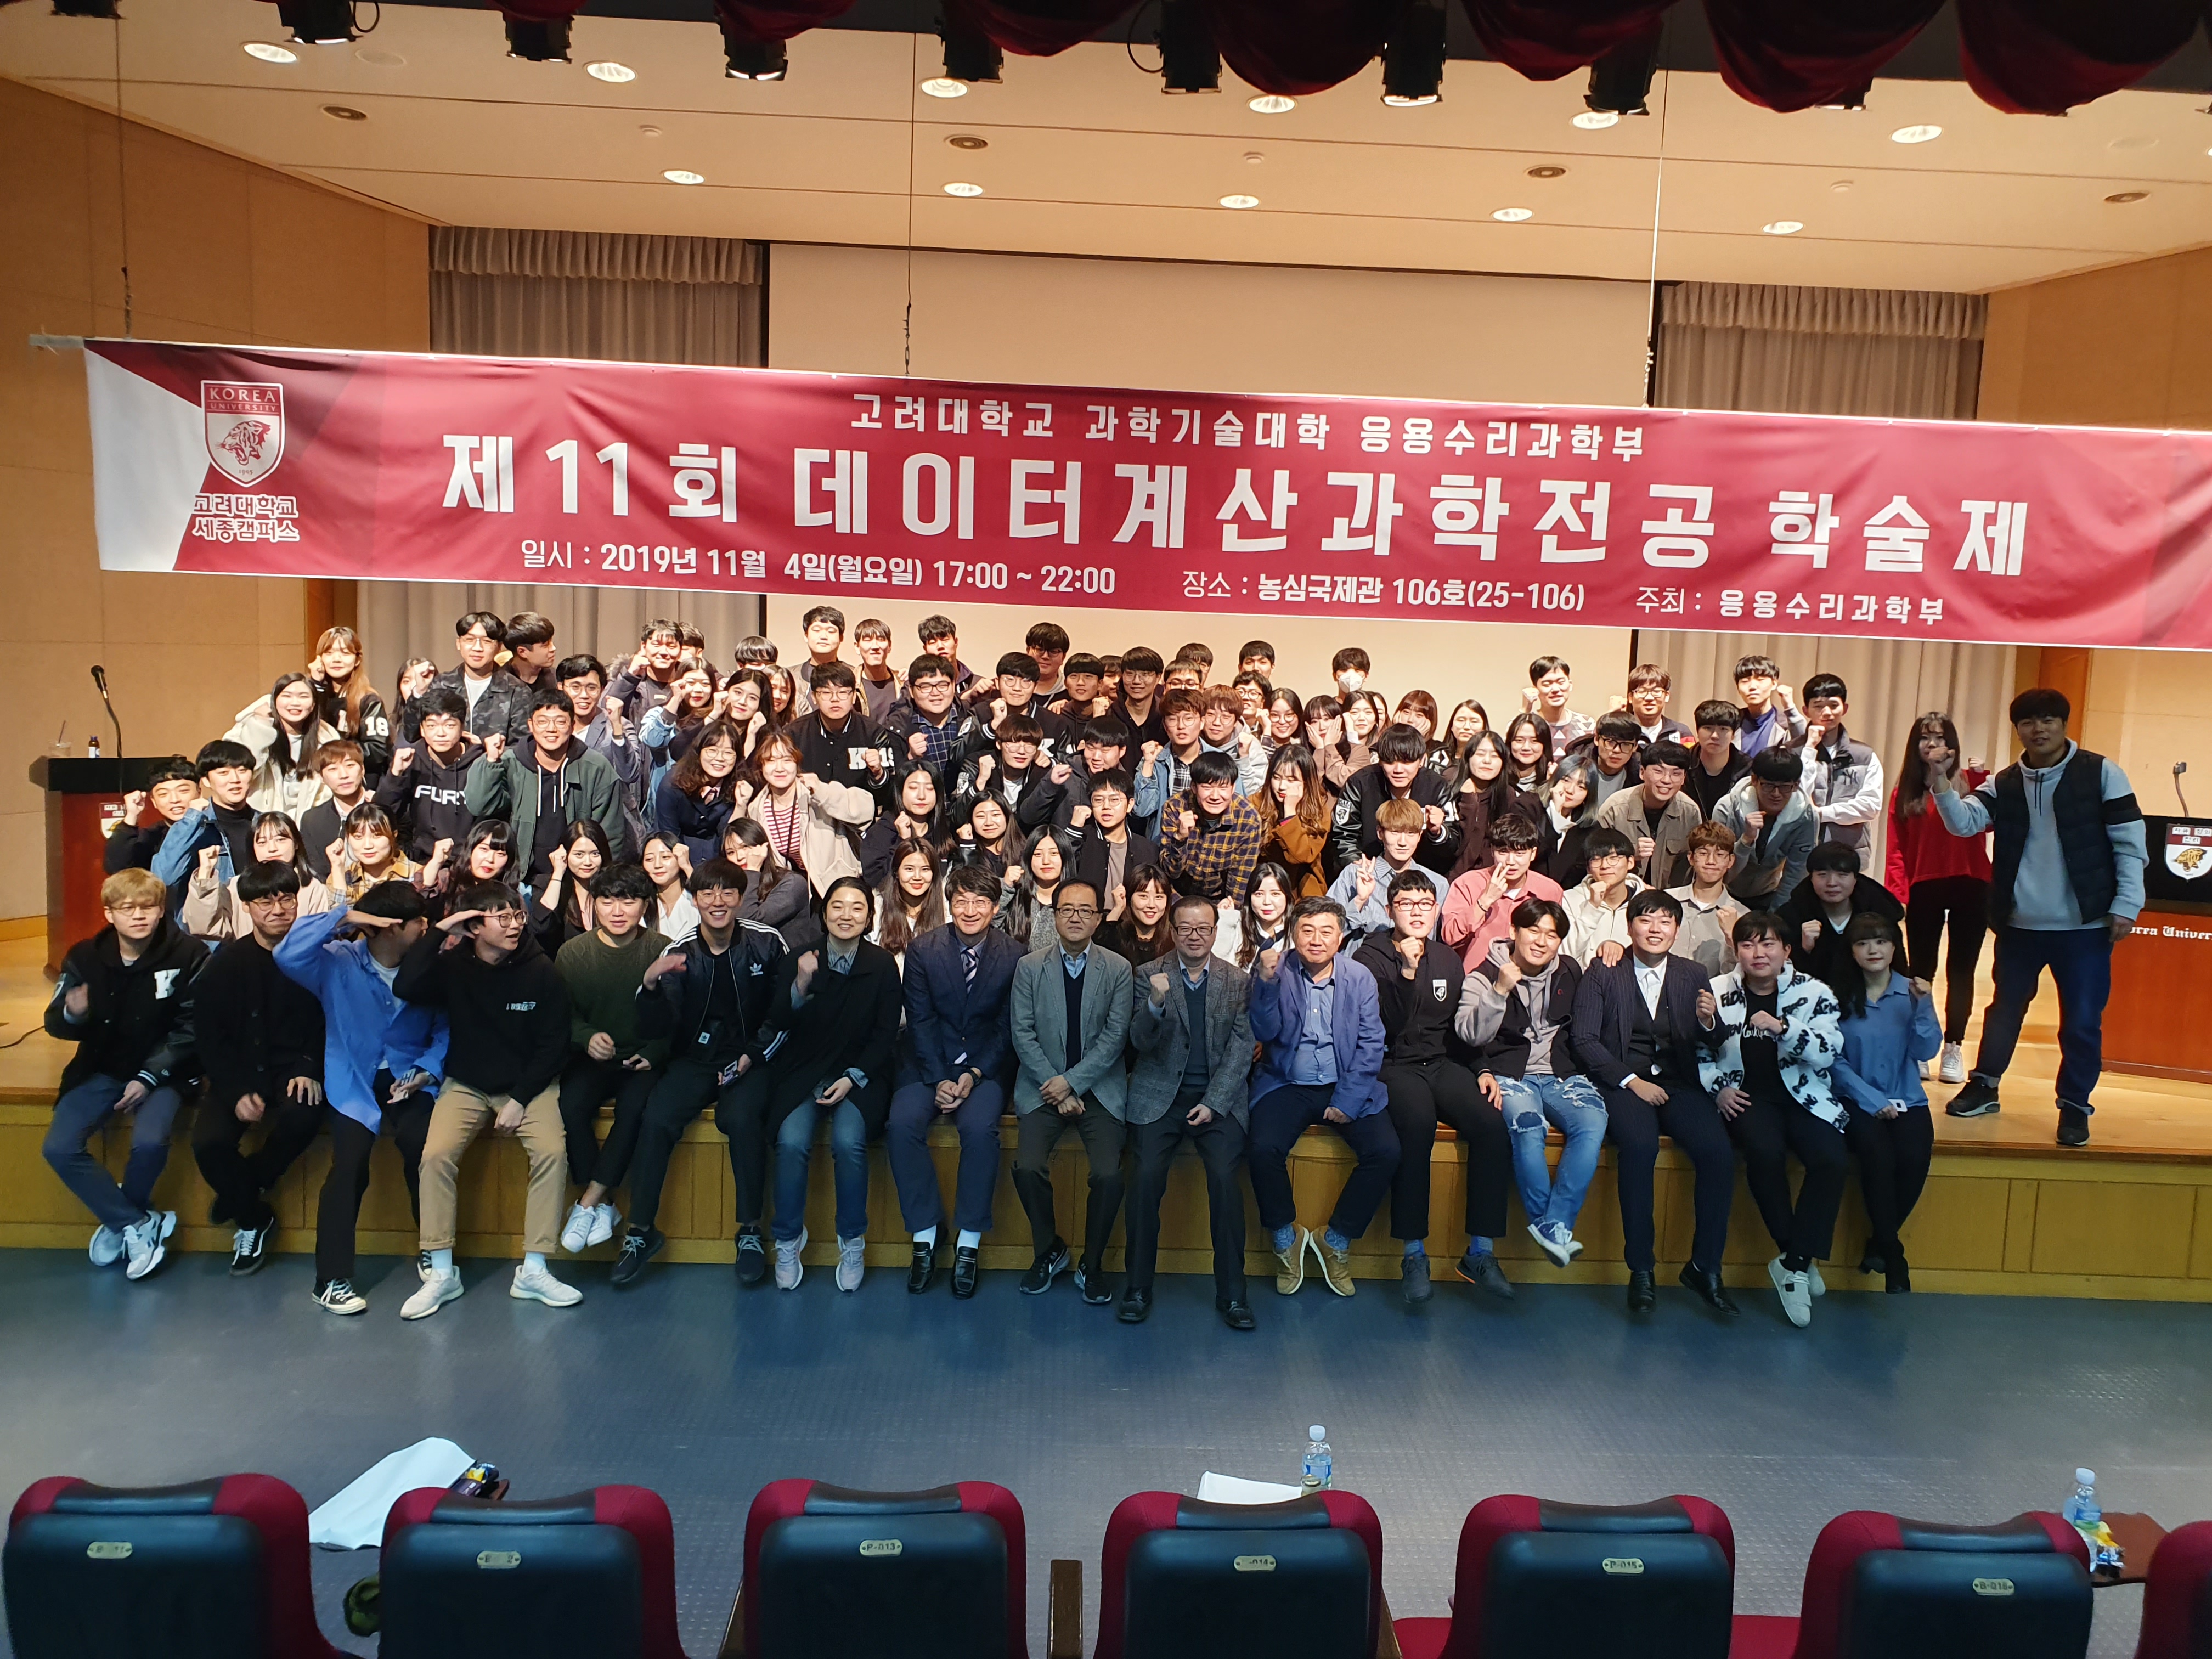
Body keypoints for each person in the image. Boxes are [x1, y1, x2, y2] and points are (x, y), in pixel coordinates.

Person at [1930, 687, 2146, 1147]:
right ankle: (1985, 1085)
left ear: (2064, 724)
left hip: (2085, 927)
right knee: (2003, 1011)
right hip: (2020, 925)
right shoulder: (2005, 782)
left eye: (2048, 720)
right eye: (2028, 722)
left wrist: (2127, 904)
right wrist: (1942, 783)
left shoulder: (2101, 773)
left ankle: (2075, 1106)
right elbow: (1964, 824)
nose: (2039, 729)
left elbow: (2130, 845)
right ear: (2018, 730)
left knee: (2082, 1021)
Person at [395, 881, 580, 1319]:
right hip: (467, 1083)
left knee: (552, 1152)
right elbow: (406, 985)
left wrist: (520, 1098)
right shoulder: (453, 966)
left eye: (518, 915)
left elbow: (554, 1044)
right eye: (503, 917)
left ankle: (534, 1269)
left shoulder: (542, 971)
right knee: (435, 1156)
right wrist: (442, 930)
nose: (515, 925)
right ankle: (442, 1272)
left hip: (529, 1085)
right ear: (475, 926)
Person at [275, 883, 447, 1314]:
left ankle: (434, 1248)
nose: (426, 928)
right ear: (390, 928)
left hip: (409, 1075)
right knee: (349, 1164)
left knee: (423, 1149)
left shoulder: (432, 966)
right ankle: (330, 1278)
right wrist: (346, 916)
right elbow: (286, 954)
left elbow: (447, 1028)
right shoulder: (337, 960)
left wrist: (427, 1070)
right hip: (352, 1077)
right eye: (418, 922)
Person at [616, 861, 787, 1285]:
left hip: (750, 1059)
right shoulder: (680, 951)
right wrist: (649, 988)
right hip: (694, 1061)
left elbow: (784, 1015)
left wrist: (754, 1055)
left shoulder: (767, 942)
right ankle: (640, 1232)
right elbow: (657, 1028)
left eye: (727, 892)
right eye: (707, 893)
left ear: (741, 898)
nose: (717, 901)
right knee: (656, 1119)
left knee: (742, 1119)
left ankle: (750, 1231)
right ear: (695, 900)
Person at [1569, 889, 1736, 1316]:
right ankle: (1641, 1269)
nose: (1656, 929)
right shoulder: (1604, 971)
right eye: (1646, 920)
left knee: (1719, 1153)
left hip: (1679, 1084)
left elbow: (1714, 1040)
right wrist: (1630, 1081)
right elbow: (1583, 1039)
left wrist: (1708, 1021)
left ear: (1677, 930)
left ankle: (1705, 1267)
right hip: (1624, 1083)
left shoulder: (1693, 973)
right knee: (1640, 1148)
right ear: (1630, 927)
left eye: (1665, 921)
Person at [1355, 873, 1515, 1305]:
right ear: (1390, 910)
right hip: (1392, 1063)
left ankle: (1480, 1252)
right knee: (1418, 1124)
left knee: (1491, 1125)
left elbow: (1458, 1028)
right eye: (1406, 904)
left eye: (1425, 904)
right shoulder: (1370, 957)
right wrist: (1406, 974)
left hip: (1441, 1062)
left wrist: (1481, 1067)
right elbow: (1385, 1026)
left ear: (1436, 911)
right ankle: (1413, 1254)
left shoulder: (1446, 958)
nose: (1417, 912)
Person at [42, 868, 205, 1282]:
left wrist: (149, 1076)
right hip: (101, 1067)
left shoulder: (190, 954)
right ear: (109, 914)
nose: (139, 915)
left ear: (161, 910)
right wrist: (72, 1014)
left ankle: (126, 1220)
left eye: (148, 907)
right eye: (127, 908)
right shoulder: (84, 957)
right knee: (59, 1148)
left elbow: (193, 1028)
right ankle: (135, 1222)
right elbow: (55, 1023)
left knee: (149, 1141)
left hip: (166, 1071)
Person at [743, 876, 902, 1293]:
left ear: (869, 916)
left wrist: (852, 1078)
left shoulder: (882, 964)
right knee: (792, 1141)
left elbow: (885, 1035)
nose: (846, 915)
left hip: (860, 1074)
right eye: (837, 906)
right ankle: (788, 1239)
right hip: (803, 1071)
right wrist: (800, 984)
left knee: (849, 1142)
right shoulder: (801, 957)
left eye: (857, 907)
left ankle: (852, 1241)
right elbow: (779, 1021)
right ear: (824, 912)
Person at [1699, 911, 1851, 1329]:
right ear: (1736, 950)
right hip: (1746, 1097)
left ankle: (1793, 1262)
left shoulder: (1814, 992)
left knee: (1832, 1160)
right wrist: (1718, 1088)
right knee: (1764, 1154)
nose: (1758, 953)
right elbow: (1699, 1051)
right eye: (1748, 945)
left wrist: (1785, 1028)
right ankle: (1797, 1262)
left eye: (1768, 944)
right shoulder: (1717, 990)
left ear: (1786, 950)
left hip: (1804, 1095)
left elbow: (1828, 1052)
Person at [1246, 898, 1396, 1299]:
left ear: (1341, 936)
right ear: (1293, 934)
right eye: (1307, 930)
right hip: (1287, 1082)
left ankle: (1337, 1239)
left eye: (1326, 931)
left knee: (1386, 1152)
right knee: (1261, 1149)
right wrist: (1266, 983)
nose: (1316, 939)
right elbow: (1263, 1030)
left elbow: (1371, 1044)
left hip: (1344, 1081)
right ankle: (1285, 1239)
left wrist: (1348, 1100)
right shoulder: (1276, 969)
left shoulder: (1359, 977)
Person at [887, 864, 1024, 1299]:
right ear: (949, 904)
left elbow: (1008, 1027)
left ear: (995, 907)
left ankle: (969, 1242)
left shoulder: (1016, 955)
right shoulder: (924, 950)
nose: (970, 910)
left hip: (985, 1067)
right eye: (961, 901)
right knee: (901, 1124)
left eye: (980, 902)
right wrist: (941, 1077)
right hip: (928, 1063)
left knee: (980, 1130)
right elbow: (920, 1020)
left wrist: (974, 1072)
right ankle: (925, 1234)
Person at [1122, 894, 1256, 1328]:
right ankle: (1137, 1288)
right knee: (1144, 1180)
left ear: (1216, 932)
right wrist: (1154, 1005)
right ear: (1173, 931)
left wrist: (1214, 1102)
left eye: (1203, 929)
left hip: (1217, 1099)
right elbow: (1139, 1042)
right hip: (1158, 1097)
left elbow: (1241, 1049)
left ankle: (1233, 1295)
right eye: (1185, 928)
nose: (1194, 936)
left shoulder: (1237, 981)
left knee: (1226, 1181)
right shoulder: (1148, 975)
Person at [188, 861, 326, 1276]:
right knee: (208, 1143)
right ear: (247, 907)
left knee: (304, 1116)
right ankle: (252, 1216)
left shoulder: (319, 957)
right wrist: (235, 1090)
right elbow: (209, 1037)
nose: (278, 909)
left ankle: (242, 1188)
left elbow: (333, 1020)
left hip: (294, 1068)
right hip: (241, 1071)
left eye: (287, 899)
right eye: (266, 901)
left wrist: (309, 1065)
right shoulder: (226, 964)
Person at [1458, 896, 1604, 1268]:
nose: (1541, 941)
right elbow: (1469, 1036)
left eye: (1552, 936)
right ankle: (1550, 1226)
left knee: (1593, 1121)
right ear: (1514, 931)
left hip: (1561, 1073)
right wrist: (1498, 991)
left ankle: (1554, 1224)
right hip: (1509, 1073)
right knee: (1528, 1127)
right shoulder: (1482, 974)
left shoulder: (1570, 970)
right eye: (1533, 931)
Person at [1008, 880, 1135, 1304]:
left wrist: (1073, 1083)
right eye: (1067, 909)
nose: (1076, 917)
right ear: (1054, 916)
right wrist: (1058, 1087)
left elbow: (1115, 1038)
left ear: (1099, 919)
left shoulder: (1118, 969)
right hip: (1042, 1085)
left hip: (1099, 1089)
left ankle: (1092, 1264)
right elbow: (1022, 1034)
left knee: (1110, 1175)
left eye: (1086, 910)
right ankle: (1049, 1250)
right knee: (1026, 1167)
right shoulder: (1030, 967)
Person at [552, 863, 668, 1257]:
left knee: (634, 1109)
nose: (618, 911)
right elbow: (561, 1016)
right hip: (593, 1059)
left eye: (629, 901)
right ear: (594, 904)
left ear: (645, 905)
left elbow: (680, 1017)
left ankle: (589, 1202)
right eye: (607, 901)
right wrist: (585, 1037)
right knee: (570, 1106)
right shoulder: (573, 953)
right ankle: (602, 1205)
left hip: (643, 1060)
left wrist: (654, 1052)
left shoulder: (663, 949)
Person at [1830, 911, 1943, 1293]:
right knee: (1877, 1159)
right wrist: (1871, 1100)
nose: (1873, 950)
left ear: (1895, 948)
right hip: (1854, 1099)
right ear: (1852, 951)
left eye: (1881, 941)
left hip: (1908, 1097)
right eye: (1863, 943)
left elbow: (1926, 1051)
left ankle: (1880, 1243)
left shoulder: (1913, 992)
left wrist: (1924, 1006)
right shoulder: (1838, 996)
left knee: (1914, 1161)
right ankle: (1893, 1256)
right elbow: (1833, 1060)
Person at [1884, 711, 1990, 1086]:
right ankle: (1920, 1046)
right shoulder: (1905, 791)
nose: (1932, 744)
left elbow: (1993, 821)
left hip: (1971, 882)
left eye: (1940, 737)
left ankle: (1954, 1047)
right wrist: (1898, 892)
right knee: (1921, 971)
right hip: (1924, 885)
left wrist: (1981, 776)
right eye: (1924, 737)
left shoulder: (1973, 783)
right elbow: (1897, 848)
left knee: (1962, 970)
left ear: (1952, 744)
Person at [465, 687, 625, 905]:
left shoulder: (596, 767)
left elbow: (610, 834)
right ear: (531, 725)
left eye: (560, 722)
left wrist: (599, 884)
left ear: (572, 725)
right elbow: (479, 805)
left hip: (577, 881)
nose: (551, 729)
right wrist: (491, 762)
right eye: (542, 722)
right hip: (520, 879)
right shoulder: (510, 762)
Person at [743, 731, 878, 896]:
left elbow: (865, 810)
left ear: (797, 763)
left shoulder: (814, 794)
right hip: (792, 891)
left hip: (834, 886)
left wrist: (822, 791)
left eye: (787, 760)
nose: (779, 768)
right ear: (761, 766)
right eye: (771, 761)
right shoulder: (757, 809)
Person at [180, 810, 339, 939]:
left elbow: (322, 936)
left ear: (296, 843)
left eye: (280, 840)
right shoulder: (236, 887)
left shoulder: (312, 888)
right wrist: (205, 873)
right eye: (262, 842)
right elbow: (203, 927)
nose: (272, 849)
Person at [1327, 724, 1456, 879]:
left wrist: (1438, 832)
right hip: (1366, 876)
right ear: (1380, 760)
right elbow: (1342, 836)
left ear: (1422, 760)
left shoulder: (1437, 787)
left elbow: (1454, 844)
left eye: (1407, 762)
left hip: (1421, 880)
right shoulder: (1360, 784)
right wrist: (1360, 865)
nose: (1398, 770)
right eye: (1390, 762)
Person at [1440, 814, 1562, 970]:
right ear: (1492, 851)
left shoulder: (1550, 891)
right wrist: (1484, 901)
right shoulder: (1467, 884)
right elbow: (1450, 937)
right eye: (1503, 852)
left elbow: (1553, 942)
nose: (1511, 862)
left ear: (1533, 854)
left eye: (1519, 853)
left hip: (1527, 978)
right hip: (1476, 977)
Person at [1778, 840, 1906, 987]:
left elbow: (1898, 967)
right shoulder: (1791, 916)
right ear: (1811, 877)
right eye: (1822, 875)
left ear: (1855, 878)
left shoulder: (1881, 913)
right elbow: (1779, 977)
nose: (1832, 883)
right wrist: (1804, 949)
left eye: (1842, 875)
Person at [558, 653, 649, 858]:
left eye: (592, 688)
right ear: (561, 687)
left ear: (602, 689)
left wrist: (617, 728)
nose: (584, 695)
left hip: (614, 827)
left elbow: (630, 774)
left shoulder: (618, 725)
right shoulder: (554, 729)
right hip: (568, 824)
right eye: (575, 687)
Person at [376, 687, 479, 864]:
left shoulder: (479, 762)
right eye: (432, 726)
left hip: (468, 862)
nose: (441, 733)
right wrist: (395, 775)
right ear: (422, 729)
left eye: (449, 725)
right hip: (421, 859)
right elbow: (383, 814)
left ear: (462, 727)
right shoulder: (411, 759)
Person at [152, 740, 261, 909]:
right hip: (210, 921)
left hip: (258, 919)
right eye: (224, 773)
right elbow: (163, 879)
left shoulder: (266, 823)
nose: (235, 779)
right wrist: (191, 820)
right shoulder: (192, 825)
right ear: (206, 781)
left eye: (242, 771)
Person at [1327, 798, 1447, 947]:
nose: (1403, 842)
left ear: (1419, 836)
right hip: (1363, 959)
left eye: (1411, 833)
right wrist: (1359, 901)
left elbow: (1437, 942)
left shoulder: (1437, 883)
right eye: (1395, 832)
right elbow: (1327, 931)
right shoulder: (1355, 874)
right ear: (1380, 833)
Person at [1796, 673, 1884, 871]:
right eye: (1819, 706)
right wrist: (1809, 749)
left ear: (1845, 708)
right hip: (1800, 855)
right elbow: (1795, 800)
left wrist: (1821, 813)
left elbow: (1870, 807)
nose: (1827, 712)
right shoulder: (1792, 752)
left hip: (1850, 856)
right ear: (1806, 710)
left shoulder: (1864, 755)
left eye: (1834, 705)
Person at [1711, 747, 1819, 911]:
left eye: (1785, 787)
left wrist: (1776, 916)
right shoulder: (1727, 808)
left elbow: (1796, 874)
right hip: (1725, 892)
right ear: (1754, 780)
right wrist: (1746, 840)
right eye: (1769, 786)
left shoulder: (1806, 817)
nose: (1776, 794)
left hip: (1769, 893)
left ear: (1796, 786)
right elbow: (1718, 869)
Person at [1159, 751, 1265, 915]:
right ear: (1194, 787)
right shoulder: (1176, 807)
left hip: (1217, 902)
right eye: (1207, 788)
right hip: (1176, 896)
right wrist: (1180, 838)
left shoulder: (1248, 820)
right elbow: (1170, 871)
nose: (1215, 796)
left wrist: (1225, 911)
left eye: (1223, 788)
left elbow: (1239, 885)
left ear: (1233, 788)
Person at [1594, 739, 1703, 891]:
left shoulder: (1690, 812)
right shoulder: (1614, 810)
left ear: (1684, 778)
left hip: (1670, 897)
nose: (1666, 780)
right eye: (1658, 772)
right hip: (1622, 895)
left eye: (1676, 774)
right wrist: (1631, 853)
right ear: (1642, 772)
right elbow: (1596, 862)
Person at [226, 673, 338, 820]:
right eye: (287, 696)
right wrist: (260, 726)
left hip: (310, 824)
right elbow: (241, 770)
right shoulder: (250, 729)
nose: (295, 703)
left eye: (303, 697)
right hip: (262, 821)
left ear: (313, 705)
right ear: (274, 701)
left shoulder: (328, 738)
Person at [787, 661, 894, 806]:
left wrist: (878, 773)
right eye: (826, 693)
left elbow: (888, 794)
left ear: (854, 696)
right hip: (809, 813)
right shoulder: (794, 733)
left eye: (843, 692)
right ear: (814, 697)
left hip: (858, 814)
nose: (835, 699)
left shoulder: (874, 733)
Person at [429, 610, 532, 746]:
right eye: (470, 640)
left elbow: (523, 746)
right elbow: (416, 734)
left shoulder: (517, 691)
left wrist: (484, 750)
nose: (477, 648)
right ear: (459, 643)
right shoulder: (442, 684)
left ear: (499, 647)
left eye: (487, 641)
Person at [1444, 730, 1539, 874]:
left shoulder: (1507, 795)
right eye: (1480, 754)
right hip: (1449, 875)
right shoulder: (1448, 787)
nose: (1487, 761)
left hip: (1490, 875)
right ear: (1468, 758)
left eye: (1495, 756)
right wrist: (1469, 803)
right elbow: (1457, 848)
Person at [1067, 769, 1156, 918]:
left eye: (1114, 800)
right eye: (1098, 800)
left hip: (1129, 925)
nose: (1106, 806)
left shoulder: (1147, 849)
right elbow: (1064, 868)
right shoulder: (1083, 839)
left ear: (1130, 805)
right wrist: (1074, 830)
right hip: (1086, 923)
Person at [307, 624, 393, 778]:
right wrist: (316, 686)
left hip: (357, 780)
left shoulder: (368, 700)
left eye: (345, 653)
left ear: (357, 660)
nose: (336, 659)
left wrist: (337, 752)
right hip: (314, 779)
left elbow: (377, 751)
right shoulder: (312, 695)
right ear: (319, 658)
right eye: (329, 653)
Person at [885, 654, 991, 774]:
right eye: (925, 687)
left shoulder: (971, 717)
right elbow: (891, 779)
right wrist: (911, 757)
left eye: (942, 685)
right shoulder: (899, 727)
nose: (935, 693)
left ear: (953, 685)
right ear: (911, 691)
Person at [1667, 821, 1746, 975]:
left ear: (1730, 861)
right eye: (1703, 853)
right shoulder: (1666, 901)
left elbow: (1742, 973)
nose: (1711, 861)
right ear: (1691, 858)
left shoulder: (1742, 916)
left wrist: (1732, 936)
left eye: (1720, 855)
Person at [1254, 743, 1332, 898]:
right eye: (1277, 778)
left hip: (1302, 886)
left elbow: (1302, 856)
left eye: (1291, 780)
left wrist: (1290, 813)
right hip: (1264, 882)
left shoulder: (1319, 809)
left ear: (1306, 782)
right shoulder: (1256, 804)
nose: (1282, 786)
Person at [1561, 826, 1644, 968]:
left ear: (1630, 862)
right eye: (1596, 860)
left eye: (1613, 858)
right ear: (1588, 868)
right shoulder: (1570, 899)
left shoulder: (1646, 903)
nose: (1605, 866)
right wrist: (1592, 907)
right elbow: (1565, 956)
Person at [106, 757, 200, 874]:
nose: (175, 800)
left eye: (183, 791)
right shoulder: (151, 837)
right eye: (163, 794)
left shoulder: (215, 829)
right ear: (154, 801)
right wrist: (131, 816)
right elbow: (117, 868)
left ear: (199, 792)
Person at [529, 819, 611, 953]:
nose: (588, 862)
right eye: (579, 854)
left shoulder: (610, 886)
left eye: (595, 854)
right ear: (565, 854)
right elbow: (541, 927)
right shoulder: (547, 884)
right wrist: (558, 873)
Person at [297, 741, 373, 881]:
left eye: (350, 766)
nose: (343, 775)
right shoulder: (313, 820)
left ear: (362, 769)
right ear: (321, 777)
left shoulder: (382, 809)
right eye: (333, 769)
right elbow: (316, 872)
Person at [1098, 863, 1174, 984]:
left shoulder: (1175, 940)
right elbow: (1098, 953)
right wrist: (1118, 909)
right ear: (1129, 897)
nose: (1151, 905)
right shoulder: (1116, 935)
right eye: (1143, 896)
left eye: (1159, 897)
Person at [871, 839, 946, 962]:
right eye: (909, 869)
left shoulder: (947, 908)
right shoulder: (877, 909)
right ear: (896, 872)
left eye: (925, 869)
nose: (917, 877)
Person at [1683, 701, 1750, 819]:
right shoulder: (1682, 764)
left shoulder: (1748, 768)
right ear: (1697, 731)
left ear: (1733, 735)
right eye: (1708, 728)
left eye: (1723, 729)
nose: (1715, 736)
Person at [1733, 654, 1805, 760]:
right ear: (1738, 688)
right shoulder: (1731, 723)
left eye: (1760, 680)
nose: (1752, 687)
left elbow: (1802, 746)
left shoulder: (1784, 724)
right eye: (1745, 681)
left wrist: (1790, 708)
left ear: (1774, 683)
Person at [1526, 656, 1594, 756]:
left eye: (1561, 682)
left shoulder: (1587, 724)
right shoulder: (1526, 724)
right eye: (1547, 684)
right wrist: (1525, 711)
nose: (1555, 689)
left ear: (1570, 685)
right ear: (1535, 689)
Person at [1304, 695, 1372, 792]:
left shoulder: (1358, 750)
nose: (1322, 727)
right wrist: (1319, 750)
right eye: (1314, 721)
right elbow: (1310, 790)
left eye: (1327, 719)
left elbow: (1350, 783)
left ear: (1339, 720)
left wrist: (1329, 746)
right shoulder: (1300, 753)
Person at [1624, 664, 1691, 745]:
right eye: (1642, 692)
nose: (1649, 698)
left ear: (1667, 696)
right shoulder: (1621, 731)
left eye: (1656, 692)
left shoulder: (1682, 733)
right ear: (1630, 698)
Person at [854, 617, 904, 722]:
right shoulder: (850, 684)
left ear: (890, 646)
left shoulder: (903, 683)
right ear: (857, 647)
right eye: (868, 640)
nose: (875, 647)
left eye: (881, 640)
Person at [1503, 713, 1552, 794]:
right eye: (1519, 740)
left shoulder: (1553, 777)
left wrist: (1549, 785)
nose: (1526, 748)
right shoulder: (1498, 775)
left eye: (1534, 741)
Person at [1025, 620, 1070, 698]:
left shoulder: (1072, 692)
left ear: (1063, 657)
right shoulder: (1010, 688)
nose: (1045, 656)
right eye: (1040, 650)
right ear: (1028, 650)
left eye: (1053, 652)